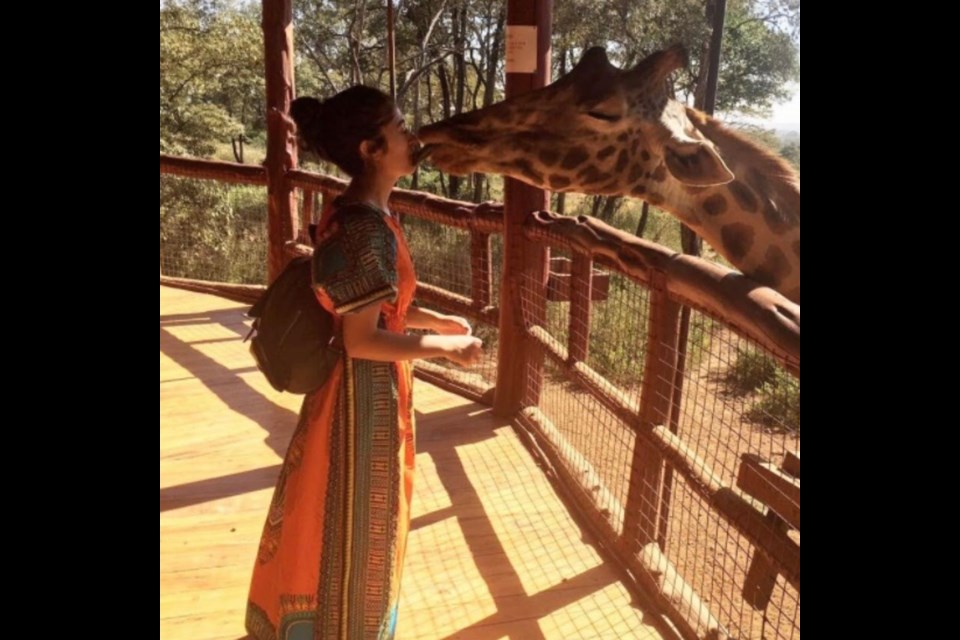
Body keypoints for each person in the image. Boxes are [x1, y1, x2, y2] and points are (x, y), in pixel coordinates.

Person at [246, 85, 484, 640]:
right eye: (400, 128)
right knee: (359, 523)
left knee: (337, 515)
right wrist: (450, 350)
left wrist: (436, 323)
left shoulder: (357, 211)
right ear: (371, 148)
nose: (412, 136)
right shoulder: (364, 227)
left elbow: (383, 306)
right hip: (360, 403)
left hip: (363, 395)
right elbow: (363, 339)